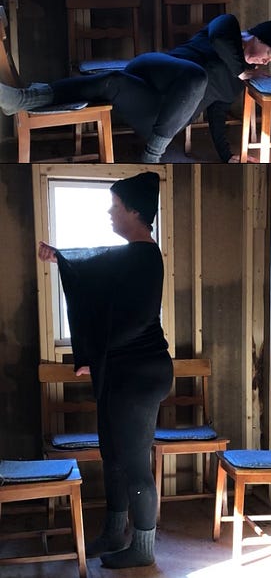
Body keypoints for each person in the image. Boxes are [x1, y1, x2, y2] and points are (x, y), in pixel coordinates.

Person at [36, 172, 173, 568]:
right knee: (112, 454)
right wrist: (60, 256)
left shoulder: (145, 256)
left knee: (133, 460)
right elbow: (93, 266)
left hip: (141, 373)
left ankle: (143, 549)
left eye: (115, 207)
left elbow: (131, 319)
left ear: (134, 211)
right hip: (121, 371)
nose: (110, 214)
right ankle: (115, 532)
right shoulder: (132, 255)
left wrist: (95, 353)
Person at [1, 15, 271, 163]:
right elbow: (219, 40)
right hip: (154, 71)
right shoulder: (228, 25)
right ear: (258, 36)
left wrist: (227, 155)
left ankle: (152, 154)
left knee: (111, 82)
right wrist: (240, 69)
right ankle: (24, 99)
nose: (265, 61)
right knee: (196, 76)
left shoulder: (234, 84)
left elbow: (217, 114)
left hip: (160, 115)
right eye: (269, 53)